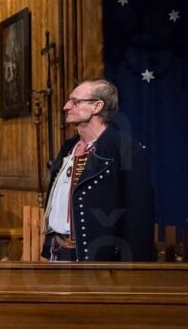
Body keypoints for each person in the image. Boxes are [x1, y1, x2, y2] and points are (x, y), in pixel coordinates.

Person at [41, 79, 154, 262]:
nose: (66, 106)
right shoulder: (68, 147)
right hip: (59, 252)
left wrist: (132, 269)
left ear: (97, 106)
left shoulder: (125, 150)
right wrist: (47, 250)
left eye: (75, 101)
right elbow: (56, 203)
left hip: (98, 261)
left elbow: (139, 217)